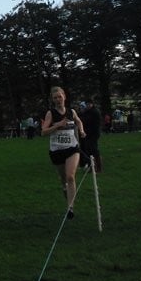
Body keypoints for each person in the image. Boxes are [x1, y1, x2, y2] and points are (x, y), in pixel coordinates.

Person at [41, 86, 86, 219]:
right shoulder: (51, 113)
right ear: (53, 100)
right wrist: (57, 125)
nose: (58, 100)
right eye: (55, 98)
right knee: (64, 180)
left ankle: (70, 208)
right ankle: (65, 189)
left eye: (59, 97)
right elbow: (43, 132)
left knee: (70, 176)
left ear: (64, 97)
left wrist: (81, 131)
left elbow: (78, 121)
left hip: (72, 148)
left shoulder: (71, 112)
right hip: (57, 150)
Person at [79, 101, 102, 172]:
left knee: (94, 150)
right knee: (88, 151)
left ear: (92, 104)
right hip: (88, 134)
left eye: (89, 104)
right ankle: (91, 166)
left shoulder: (94, 112)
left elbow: (87, 121)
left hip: (93, 134)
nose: (87, 106)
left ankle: (98, 167)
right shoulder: (88, 112)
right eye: (87, 104)